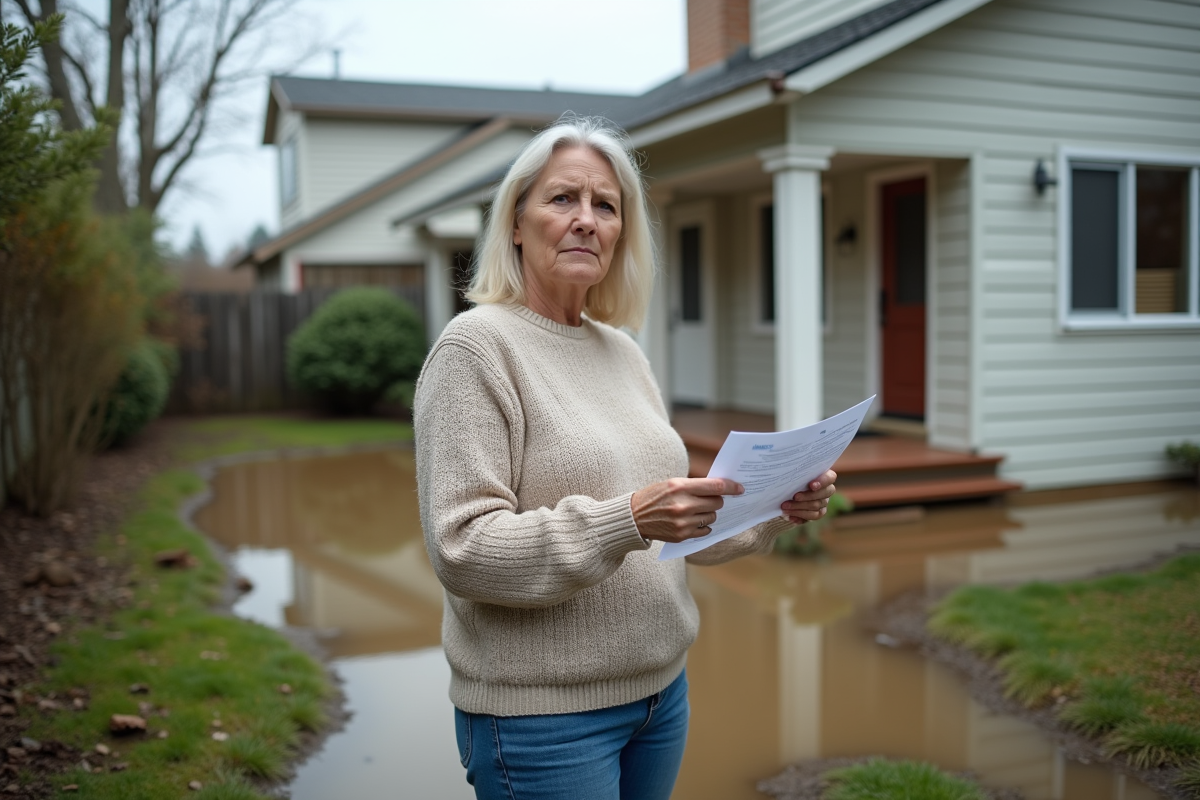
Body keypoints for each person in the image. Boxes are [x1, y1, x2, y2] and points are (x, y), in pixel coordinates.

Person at [413, 116, 836, 800]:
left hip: (660, 696)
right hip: (544, 722)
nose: (585, 220)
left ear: (620, 233)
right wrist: (629, 519)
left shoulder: (624, 352)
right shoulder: (475, 349)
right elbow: (462, 549)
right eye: (562, 199)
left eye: (604, 206)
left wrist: (773, 508)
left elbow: (669, 532)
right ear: (515, 224)